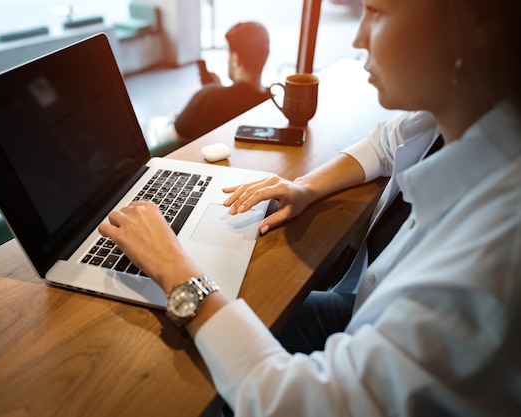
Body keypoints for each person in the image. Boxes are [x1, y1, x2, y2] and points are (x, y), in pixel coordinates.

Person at [99, 0, 521, 415]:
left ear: (475, 21)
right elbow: (388, 141)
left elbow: (300, 404)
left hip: (332, 375)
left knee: (172, 380)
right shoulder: (456, 120)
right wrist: (303, 187)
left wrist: (175, 269)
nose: (357, 37)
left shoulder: (493, 263)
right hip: (359, 308)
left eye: (377, 12)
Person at [154, 21, 272, 145]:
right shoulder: (270, 102)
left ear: (235, 59)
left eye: (228, 53)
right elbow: (240, 99)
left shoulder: (207, 98)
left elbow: (168, 138)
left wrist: (211, 91)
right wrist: (218, 88)